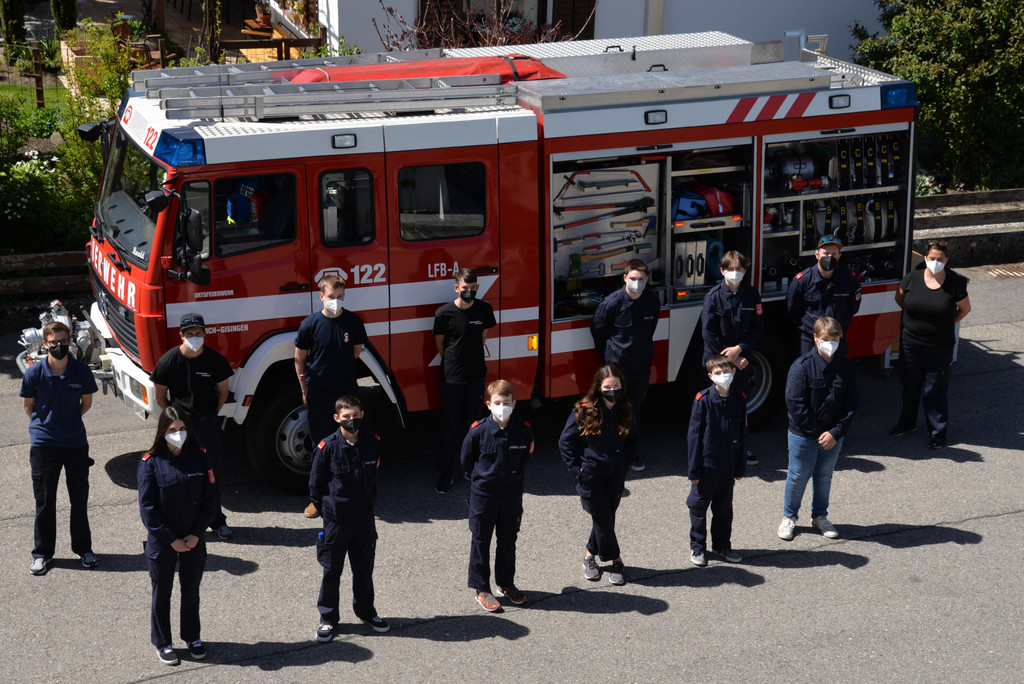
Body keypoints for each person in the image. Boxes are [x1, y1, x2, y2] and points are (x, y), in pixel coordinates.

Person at [138, 407, 217, 666]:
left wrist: (196, 535)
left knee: (191, 590)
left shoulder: (200, 457)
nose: (178, 434)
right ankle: (163, 642)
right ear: (163, 432)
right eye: (172, 430)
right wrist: (171, 539)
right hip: (164, 541)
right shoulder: (151, 462)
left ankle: (192, 637)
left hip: (193, 539)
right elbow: (148, 509)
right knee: (162, 592)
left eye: (182, 429)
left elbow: (210, 500)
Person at [20, 321, 99, 576]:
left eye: (63, 342)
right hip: (44, 445)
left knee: (79, 499)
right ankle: (42, 554)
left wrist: (68, 422)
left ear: (70, 342)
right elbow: (28, 407)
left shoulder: (81, 371)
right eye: (53, 343)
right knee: (45, 502)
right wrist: (47, 426)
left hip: (75, 443)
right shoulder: (34, 374)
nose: (59, 346)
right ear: (45, 344)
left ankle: (84, 550)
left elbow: (86, 404)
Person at [309, 395, 389, 641]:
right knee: (332, 572)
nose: (351, 420)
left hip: (364, 520)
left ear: (362, 415)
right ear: (337, 418)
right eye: (346, 417)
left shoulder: (372, 441)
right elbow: (316, 485)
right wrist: (329, 513)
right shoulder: (327, 447)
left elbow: (374, 476)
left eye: (355, 415)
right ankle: (328, 618)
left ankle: (366, 611)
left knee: (363, 571)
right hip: (337, 522)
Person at [151, 313, 234, 540]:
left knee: (211, 474)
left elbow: (223, 392)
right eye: (189, 334)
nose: (194, 337)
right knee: (181, 475)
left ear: (205, 334)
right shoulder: (169, 361)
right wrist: (176, 420)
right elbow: (160, 396)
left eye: (198, 333)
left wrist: (209, 415)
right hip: (181, 428)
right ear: (181, 335)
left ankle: (217, 521)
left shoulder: (215, 360)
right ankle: (183, 523)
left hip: (207, 425)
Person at [778, 317, 859, 542]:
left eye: (834, 339)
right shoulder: (801, 367)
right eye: (825, 339)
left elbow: (851, 403)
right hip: (804, 435)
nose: (830, 343)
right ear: (815, 338)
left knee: (824, 477)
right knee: (797, 476)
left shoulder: (846, 367)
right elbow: (795, 404)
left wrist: (836, 432)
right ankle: (789, 517)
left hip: (832, 436)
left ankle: (820, 516)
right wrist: (816, 433)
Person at [558, 364, 638, 586]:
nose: (612, 390)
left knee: (605, 517)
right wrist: (577, 470)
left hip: (615, 475)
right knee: (603, 520)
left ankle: (589, 556)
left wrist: (625, 464)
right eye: (607, 386)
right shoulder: (585, 409)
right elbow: (565, 441)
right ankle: (616, 560)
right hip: (591, 475)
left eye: (616, 386)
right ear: (599, 387)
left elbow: (633, 440)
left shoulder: (626, 409)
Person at [295, 274, 367, 517]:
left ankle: (350, 492)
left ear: (344, 296)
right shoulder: (310, 324)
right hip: (319, 391)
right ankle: (317, 499)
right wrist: (303, 386)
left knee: (350, 441)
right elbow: (300, 357)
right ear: (321, 297)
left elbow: (356, 352)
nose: (334, 301)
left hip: (346, 391)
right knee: (321, 444)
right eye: (330, 297)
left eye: (339, 297)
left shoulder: (354, 322)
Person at [460, 379, 535, 612]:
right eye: (497, 402)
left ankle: (505, 584)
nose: (502, 406)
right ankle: (482, 588)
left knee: (508, 539)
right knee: (481, 541)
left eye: (507, 402)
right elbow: (466, 462)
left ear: (514, 403)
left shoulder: (523, 429)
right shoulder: (478, 431)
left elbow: (526, 457)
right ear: (488, 404)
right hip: (484, 495)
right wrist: (483, 480)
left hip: (511, 494)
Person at [890, 240, 971, 449]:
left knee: (934, 390)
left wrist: (947, 323)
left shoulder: (955, 283)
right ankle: (907, 423)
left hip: (939, 347)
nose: (935, 262)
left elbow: (965, 309)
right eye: (932, 259)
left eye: (940, 259)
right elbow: (900, 300)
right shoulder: (911, 279)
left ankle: (938, 433)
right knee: (910, 387)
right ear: (926, 258)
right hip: (910, 344)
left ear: (946, 260)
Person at [590, 258, 660, 472]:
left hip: (640, 366)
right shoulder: (612, 303)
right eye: (632, 279)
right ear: (624, 278)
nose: (636, 283)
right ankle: (608, 450)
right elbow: (598, 331)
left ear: (646, 278)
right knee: (611, 409)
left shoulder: (652, 301)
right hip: (616, 368)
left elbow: (650, 330)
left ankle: (631, 452)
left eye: (640, 279)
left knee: (634, 409)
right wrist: (610, 356)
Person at [433, 268, 496, 495]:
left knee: (475, 425)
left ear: (477, 287)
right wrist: (452, 363)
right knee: (449, 426)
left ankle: (471, 470)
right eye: (464, 288)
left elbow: (482, 337)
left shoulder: (484, 309)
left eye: (472, 288)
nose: (468, 292)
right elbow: (440, 344)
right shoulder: (444, 313)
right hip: (451, 376)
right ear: (456, 288)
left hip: (476, 375)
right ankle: (446, 473)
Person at [701, 250, 764, 466]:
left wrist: (740, 349)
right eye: (730, 269)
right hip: (717, 363)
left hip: (742, 361)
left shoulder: (752, 295)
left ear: (745, 270)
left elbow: (757, 328)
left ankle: (740, 449)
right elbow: (709, 334)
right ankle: (711, 449)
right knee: (713, 407)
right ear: (722, 271)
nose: (735, 273)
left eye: (739, 269)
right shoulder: (713, 296)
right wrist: (732, 359)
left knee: (739, 406)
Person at [686, 355, 746, 567]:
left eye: (726, 371)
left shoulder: (739, 398)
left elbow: (742, 434)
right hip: (707, 466)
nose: (723, 376)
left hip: (728, 466)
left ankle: (722, 545)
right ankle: (698, 547)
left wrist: (740, 466)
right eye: (718, 373)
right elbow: (694, 436)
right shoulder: (703, 400)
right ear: (710, 376)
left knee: (724, 509)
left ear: (734, 371)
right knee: (699, 507)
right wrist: (694, 471)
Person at [786, 236, 862, 355]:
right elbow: (792, 309)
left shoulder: (849, 281)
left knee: (840, 372)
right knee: (810, 372)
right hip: (811, 340)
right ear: (817, 254)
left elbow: (853, 308)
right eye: (826, 253)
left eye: (834, 253)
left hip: (837, 339)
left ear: (839, 256)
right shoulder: (802, 281)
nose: (830, 257)